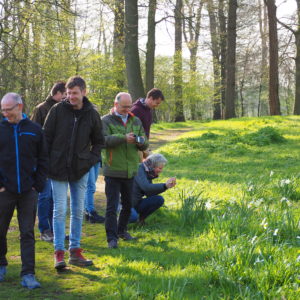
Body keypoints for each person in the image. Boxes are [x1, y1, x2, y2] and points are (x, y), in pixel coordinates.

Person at [44, 76, 104, 269]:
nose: (71, 97)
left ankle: (75, 252)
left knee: (78, 211)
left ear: (84, 92)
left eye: (75, 93)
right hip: (57, 168)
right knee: (59, 210)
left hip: (81, 169)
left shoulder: (92, 114)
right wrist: (48, 161)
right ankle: (59, 253)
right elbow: (46, 137)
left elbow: (99, 141)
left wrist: (89, 160)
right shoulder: (57, 110)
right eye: (68, 93)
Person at [0, 93, 48, 289]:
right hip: (5, 191)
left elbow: (44, 158)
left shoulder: (35, 130)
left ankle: (28, 273)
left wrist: (38, 184)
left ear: (19, 106)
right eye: (2, 110)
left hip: (29, 191)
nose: (5, 114)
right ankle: (1, 265)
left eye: (8, 110)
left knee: (27, 232)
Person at [102, 92, 148, 249]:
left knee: (128, 205)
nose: (127, 110)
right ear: (116, 104)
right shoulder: (105, 120)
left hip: (131, 170)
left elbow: (145, 142)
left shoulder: (135, 120)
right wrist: (123, 138)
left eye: (129, 107)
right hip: (113, 170)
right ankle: (111, 238)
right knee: (112, 206)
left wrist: (139, 141)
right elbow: (103, 140)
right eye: (124, 107)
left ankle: (122, 231)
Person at [31, 81, 66, 242]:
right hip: (42, 160)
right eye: (64, 94)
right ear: (57, 93)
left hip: (58, 160)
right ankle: (44, 229)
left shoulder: (64, 109)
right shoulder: (41, 109)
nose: (67, 97)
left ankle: (55, 229)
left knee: (56, 197)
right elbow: (32, 134)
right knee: (44, 196)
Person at [130, 153, 176, 224]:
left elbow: (149, 193)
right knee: (133, 217)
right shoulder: (139, 168)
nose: (161, 171)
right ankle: (115, 222)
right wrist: (165, 185)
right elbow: (146, 187)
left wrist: (166, 187)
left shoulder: (148, 172)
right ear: (153, 166)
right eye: (160, 168)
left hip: (136, 203)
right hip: (124, 204)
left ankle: (140, 220)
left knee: (159, 199)